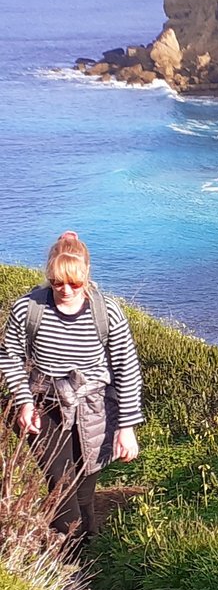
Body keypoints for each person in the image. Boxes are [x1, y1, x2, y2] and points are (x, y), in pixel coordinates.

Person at [0, 231, 143, 549]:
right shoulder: (28, 309)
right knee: (61, 484)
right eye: (57, 283)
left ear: (86, 276)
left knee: (83, 490)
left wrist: (126, 427)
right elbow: (10, 356)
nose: (65, 290)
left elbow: (126, 369)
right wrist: (23, 402)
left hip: (94, 407)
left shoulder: (107, 312)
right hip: (44, 403)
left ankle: (92, 554)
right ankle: (68, 564)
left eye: (74, 283)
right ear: (49, 277)